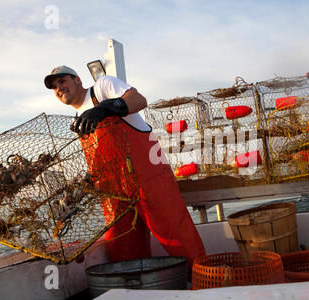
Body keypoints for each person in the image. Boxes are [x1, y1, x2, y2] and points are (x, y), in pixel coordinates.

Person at [44, 66, 206, 272]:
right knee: (123, 248)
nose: (59, 88)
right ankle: (137, 290)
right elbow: (99, 159)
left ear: (76, 79)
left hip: (148, 177)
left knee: (176, 235)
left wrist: (105, 108)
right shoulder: (79, 121)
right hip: (114, 192)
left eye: (62, 81)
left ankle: (206, 282)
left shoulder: (102, 88)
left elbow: (139, 100)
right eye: (54, 87)